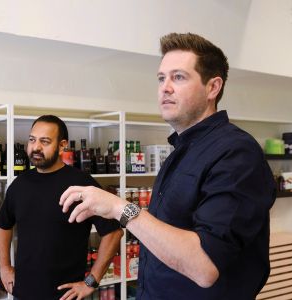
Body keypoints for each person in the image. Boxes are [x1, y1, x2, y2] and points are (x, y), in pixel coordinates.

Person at [60, 33, 276, 299]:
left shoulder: (236, 153)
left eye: (179, 77)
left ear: (213, 87)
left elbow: (205, 267)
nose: (165, 87)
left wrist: (119, 208)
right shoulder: (181, 151)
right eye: (162, 78)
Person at [0, 115, 123, 300]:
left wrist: (91, 281)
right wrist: (4, 267)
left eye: (45, 141)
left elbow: (113, 233)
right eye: (32, 140)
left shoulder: (82, 185)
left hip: (65, 296)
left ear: (62, 145)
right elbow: (3, 225)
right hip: (23, 292)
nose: (36, 147)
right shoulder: (19, 184)